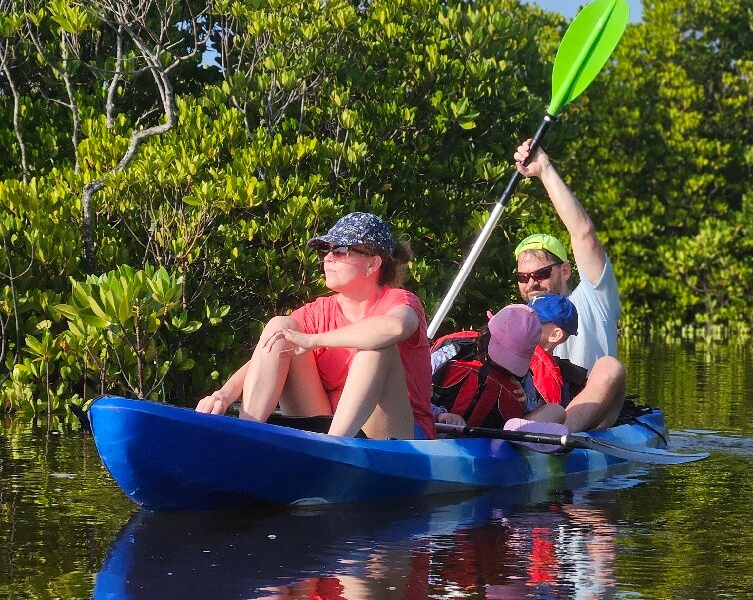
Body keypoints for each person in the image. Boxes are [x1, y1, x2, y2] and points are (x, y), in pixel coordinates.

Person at [195, 212, 435, 440]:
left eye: (340, 250)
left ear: (373, 264)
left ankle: (332, 448)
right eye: (325, 250)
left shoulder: (400, 301)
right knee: (281, 328)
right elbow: (268, 350)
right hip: (329, 422)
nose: (328, 258)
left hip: (400, 437)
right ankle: (246, 436)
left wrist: (314, 340)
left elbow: (394, 328)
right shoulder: (318, 311)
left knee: (376, 346)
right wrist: (224, 395)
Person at [512, 140, 627, 431]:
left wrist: (544, 170)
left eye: (539, 274)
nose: (531, 284)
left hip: (594, 419)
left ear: (565, 270)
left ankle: (558, 435)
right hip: (541, 414)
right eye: (523, 278)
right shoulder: (517, 321)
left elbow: (584, 233)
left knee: (610, 368)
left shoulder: (593, 297)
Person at [431, 304, 564, 430]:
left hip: (493, 443)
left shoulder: (523, 378)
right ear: (488, 335)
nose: (506, 364)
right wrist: (439, 414)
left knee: (556, 411)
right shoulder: (453, 351)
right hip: (435, 428)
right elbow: (413, 392)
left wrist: (525, 402)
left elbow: (532, 409)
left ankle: (519, 436)